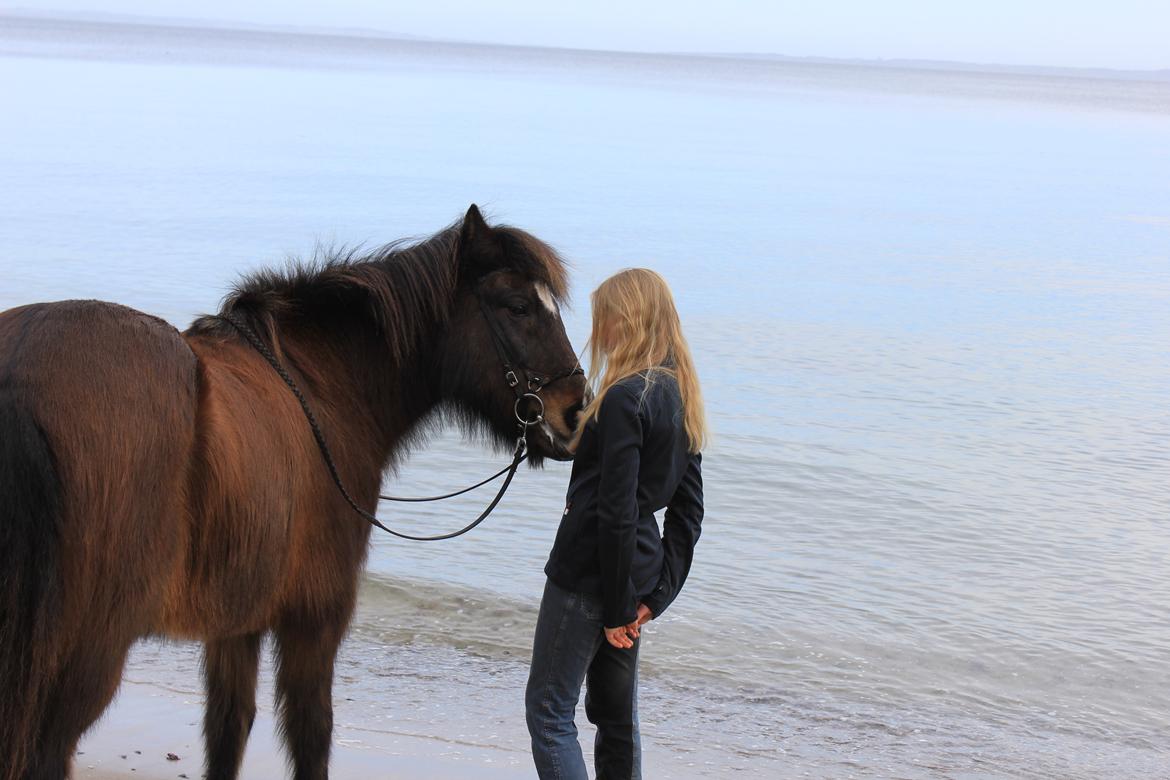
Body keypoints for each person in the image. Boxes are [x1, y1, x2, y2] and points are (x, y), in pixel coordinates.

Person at [525, 268, 707, 779]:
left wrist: (620, 609)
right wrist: (655, 597)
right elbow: (688, 512)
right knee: (616, 718)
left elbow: (615, 511)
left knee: (548, 711)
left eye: (605, 320)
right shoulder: (680, 395)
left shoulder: (627, 397)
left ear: (628, 321)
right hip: (635, 575)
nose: (597, 333)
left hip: (590, 573)